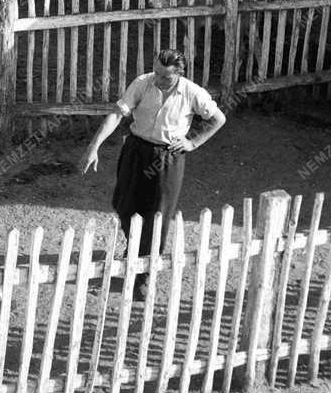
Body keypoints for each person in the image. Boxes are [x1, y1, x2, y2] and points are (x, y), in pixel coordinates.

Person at [80, 49, 226, 299]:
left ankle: (143, 276)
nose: (157, 79)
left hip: (167, 157)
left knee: (157, 214)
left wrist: (193, 142)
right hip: (136, 150)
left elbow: (218, 119)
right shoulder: (142, 83)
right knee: (124, 204)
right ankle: (134, 252)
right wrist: (94, 147)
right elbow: (117, 114)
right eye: (156, 72)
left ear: (179, 74)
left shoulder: (192, 92)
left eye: (164, 76)